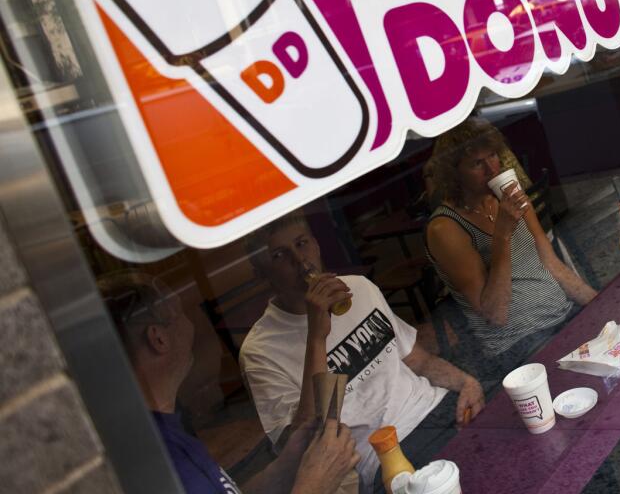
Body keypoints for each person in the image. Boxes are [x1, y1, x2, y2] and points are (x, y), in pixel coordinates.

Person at [240, 214, 485, 492]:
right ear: (262, 273)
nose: (300, 261)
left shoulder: (358, 287)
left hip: (438, 408)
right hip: (389, 454)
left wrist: (466, 382)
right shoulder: (261, 351)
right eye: (280, 255)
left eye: (302, 243)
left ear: (317, 244)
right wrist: (316, 337)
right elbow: (306, 441)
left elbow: (417, 360)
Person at [98, 270, 359, 494]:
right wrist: (315, 485)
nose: (192, 324)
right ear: (159, 339)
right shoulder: (154, 461)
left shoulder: (163, 431)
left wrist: (287, 466)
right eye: (180, 313)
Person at [424, 118, 596, 383]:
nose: (492, 169)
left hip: (562, 316)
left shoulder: (506, 198)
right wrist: (502, 234)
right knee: (590, 380)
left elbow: (552, 264)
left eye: (493, 155)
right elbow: (495, 313)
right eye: (477, 163)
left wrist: (599, 303)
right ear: (454, 175)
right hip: (519, 342)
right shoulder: (445, 229)